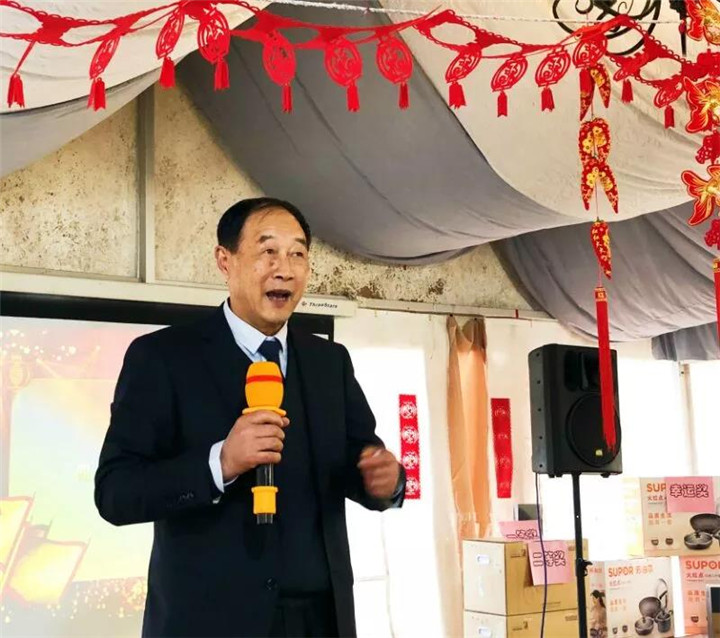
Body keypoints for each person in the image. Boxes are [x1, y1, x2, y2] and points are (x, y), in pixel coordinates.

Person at [94, 197, 405, 638]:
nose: (285, 269)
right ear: (225, 261)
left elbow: (362, 460)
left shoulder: (329, 362)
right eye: (268, 251)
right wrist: (219, 464)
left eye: (297, 254)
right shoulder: (162, 358)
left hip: (318, 620)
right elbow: (116, 493)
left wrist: (386, 482)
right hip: (208, 623)